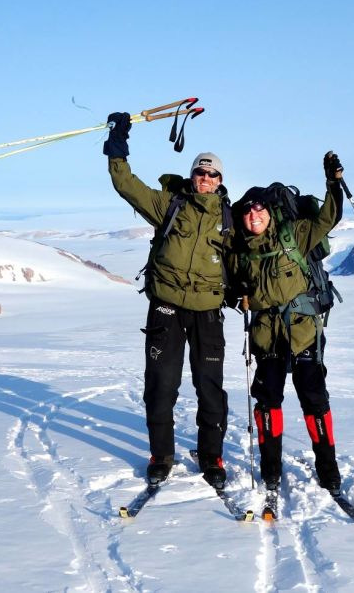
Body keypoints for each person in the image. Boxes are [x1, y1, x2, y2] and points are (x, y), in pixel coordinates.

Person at [103, 111, 232, 488]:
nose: (205, 179)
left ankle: (212, 455)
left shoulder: (229, 217)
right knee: (161, 383)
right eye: (199, 172)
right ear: (192, 176)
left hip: (208, 311)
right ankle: (162, 454)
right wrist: (117, 144)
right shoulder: (169, 205)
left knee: (210, 387)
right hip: (166, 308)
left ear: (220, 180)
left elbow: (255, 247)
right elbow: (126, 184)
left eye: (212, 174)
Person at [228, 152, 345, 493]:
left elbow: (329, 218)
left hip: (304, 332)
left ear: (269, 211)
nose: (254, 215)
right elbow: (232, 286)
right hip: (267, 337)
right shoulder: (239, 249)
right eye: (248, 210)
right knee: (267, 401)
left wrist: (333, 183)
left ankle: (328, 469)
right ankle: (271, 470)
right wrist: (238, 298)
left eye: (259, 209)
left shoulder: (295, 234)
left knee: (315, 399)